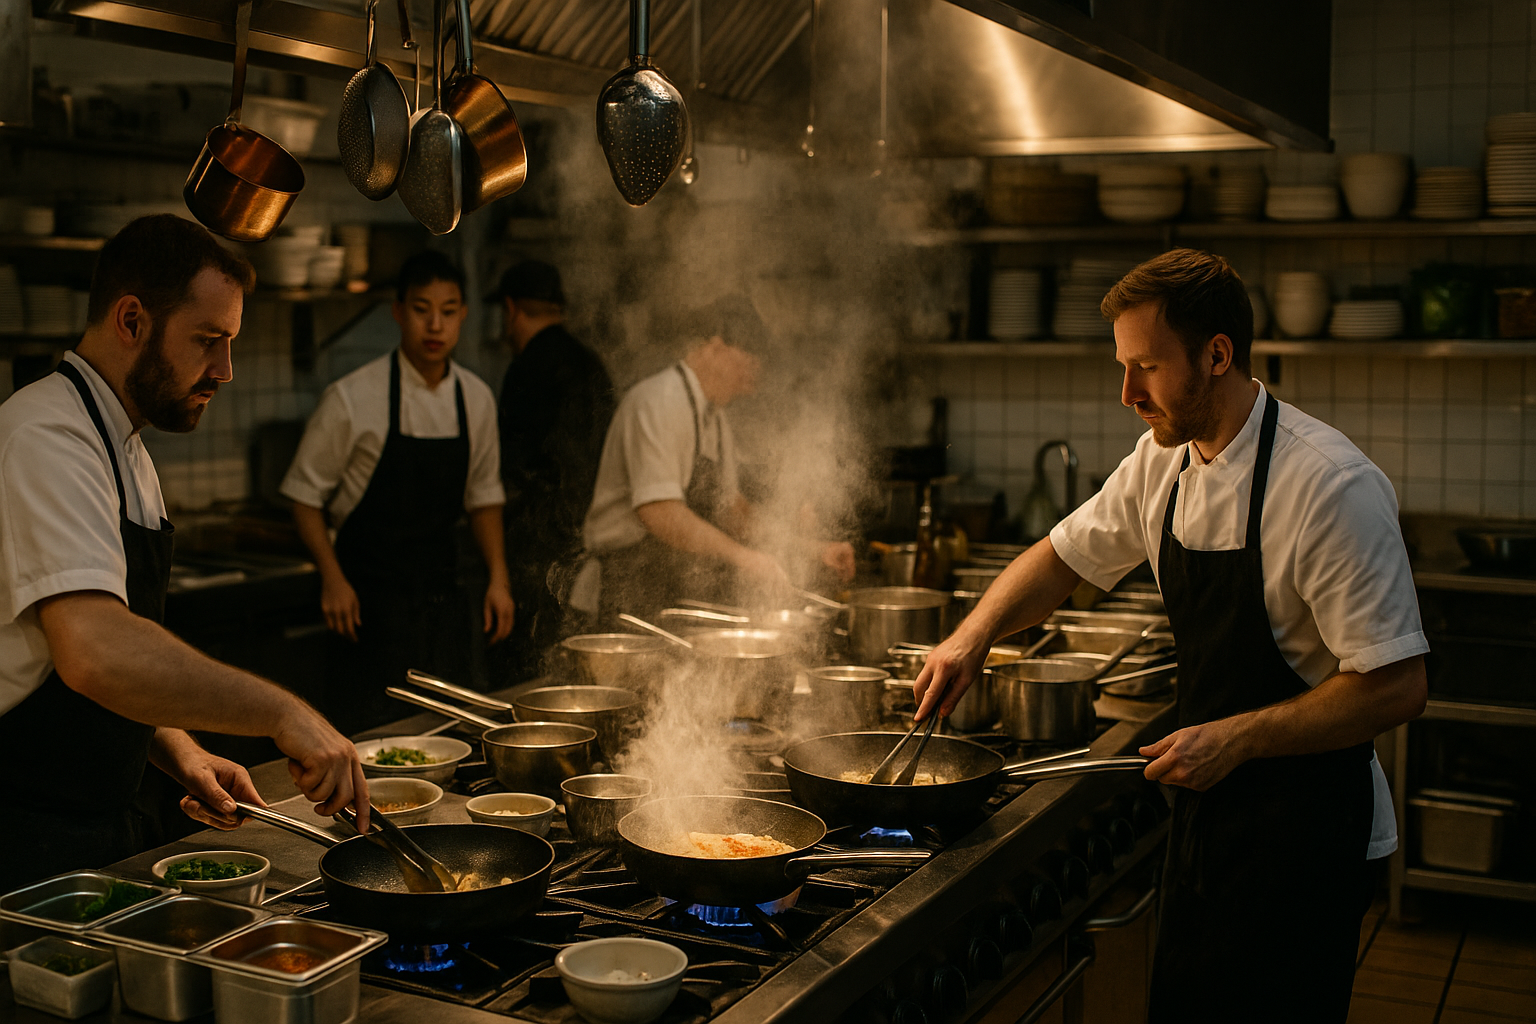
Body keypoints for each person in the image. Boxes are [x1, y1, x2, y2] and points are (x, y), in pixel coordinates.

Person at [913, 249, 1428, 1023]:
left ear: (1217, 355)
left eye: (1146, 367)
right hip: (1206, 822)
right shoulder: (1163, 465)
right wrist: (972, 636)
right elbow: (1060, 558)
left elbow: (1396, 685)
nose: (1127, 394)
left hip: (1305, 837)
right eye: (1124, 367)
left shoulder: (1329, 488)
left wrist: (1239, 739)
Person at [0, 215, 369, 889]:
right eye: (208, 341)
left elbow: (72, 662)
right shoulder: (45, 437)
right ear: (132, 320)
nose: (224, 370)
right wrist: (284, 713)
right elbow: (95, 651)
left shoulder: (125, 445)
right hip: (24, 839)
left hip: (95, 824)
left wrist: (174, 747)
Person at [282, 252, 514, 732]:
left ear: (463, 314)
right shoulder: (352, 397)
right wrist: (333, 578)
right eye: (421, 309)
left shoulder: (476, 399)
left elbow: (483, 499)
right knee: (373, 741)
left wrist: (498, 578)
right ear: (398, 310)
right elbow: (303, 497)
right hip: (370, 608)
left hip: (444, 605)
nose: (435, 325)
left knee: (454, 733)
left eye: (448, 311)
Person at [575, 294, 855, 625]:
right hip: (623, 586)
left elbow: (731, 511)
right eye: (751, 354)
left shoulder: (713, 417)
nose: (758, 368)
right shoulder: (660, 402)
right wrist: (744, 557)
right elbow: (659, 512)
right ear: (715, 346)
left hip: (669, 587)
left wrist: (811, 549)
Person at [488, 261, 615, 679]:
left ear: (511, 310)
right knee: (572, 668)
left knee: (523, 671)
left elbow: (506, 471)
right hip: (585, 551)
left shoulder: (524, 372)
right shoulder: (593, 366)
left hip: (530, 556)